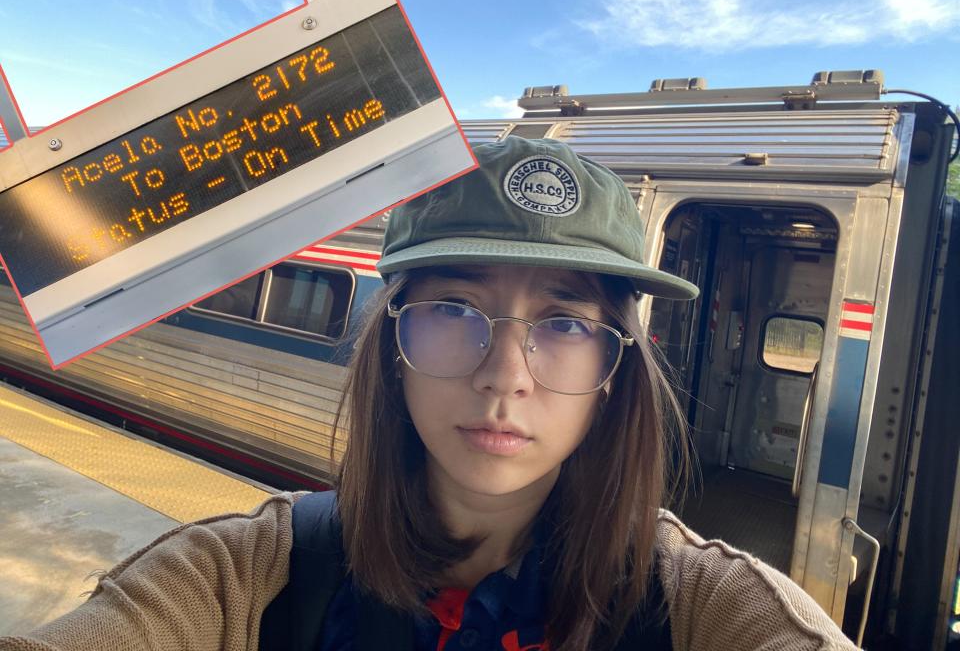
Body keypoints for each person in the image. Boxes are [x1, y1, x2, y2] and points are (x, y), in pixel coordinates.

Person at [0, 137, 856, 651]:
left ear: (616, 369)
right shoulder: (242, 575)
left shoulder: (707, 606)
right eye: (454, 309)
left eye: (564, 322)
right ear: (392, 340)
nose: (506, 376)